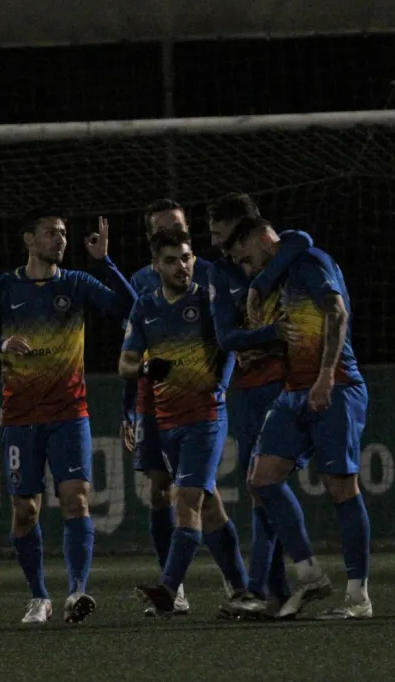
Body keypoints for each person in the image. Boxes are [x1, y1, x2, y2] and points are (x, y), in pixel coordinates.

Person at [0, 211, 136, 624]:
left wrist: (104, 262)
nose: (59, 240)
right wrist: (2, 342)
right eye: (50, 233)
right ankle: (39, 597)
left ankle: (77, 592)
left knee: (76, 499)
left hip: (69, 412)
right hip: (21, 415)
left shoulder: (75, 282)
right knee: (26, 509)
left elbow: (131, 307)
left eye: (63, 234)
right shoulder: (4, 287)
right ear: (28, 239)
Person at [224, 218, 372, 621]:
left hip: (336, 385)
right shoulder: (286, 273)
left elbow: (337, 314)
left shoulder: (310, 261)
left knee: (342, 488)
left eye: (247, 258)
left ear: (261, 238)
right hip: (293, 393)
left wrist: (325, 376)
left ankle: (358, 598)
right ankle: (309, 574)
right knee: (261, 478)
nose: (248, 268)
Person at [119, 228, 248, 615]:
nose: (183, 266)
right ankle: (241, 589)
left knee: (187, 501)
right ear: (156, 264)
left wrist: (220, 383)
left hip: (205, 417)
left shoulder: (210, 301)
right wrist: (143, 367)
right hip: (166, 419)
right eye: (172, 260)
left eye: (188, 257)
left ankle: (168, 590)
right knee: (208, 504)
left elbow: (231, 340)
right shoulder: (144, 306)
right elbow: (124, 363)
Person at [207, 192, 312, 614]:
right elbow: (227, 338)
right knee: (259, 490)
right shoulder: (218, 273)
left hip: (286, 385)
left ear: (239, 227)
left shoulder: (283, 250)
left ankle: (263, 588)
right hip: (249, 391)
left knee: (265, 486)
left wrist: (263, 285)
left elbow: (302, 239)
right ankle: (276, 592)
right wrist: (266, 336)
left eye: (219, 232)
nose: (214, 242)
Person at [122, 199, 212, 616]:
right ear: (152, 248)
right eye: (162, 233)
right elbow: (129, 355)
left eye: (177, 228)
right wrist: (130, 410)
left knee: (195, 498)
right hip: (152, 403)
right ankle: (174, 587)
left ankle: (235, 582)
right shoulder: (142, 288)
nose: (180, 262)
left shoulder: (208, 276)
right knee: (160, 492)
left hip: (201, 404)